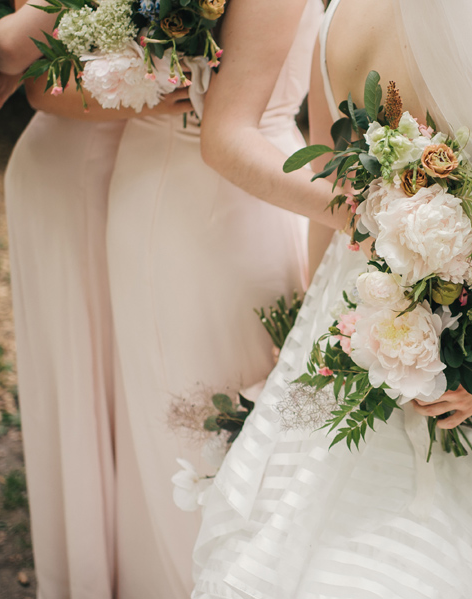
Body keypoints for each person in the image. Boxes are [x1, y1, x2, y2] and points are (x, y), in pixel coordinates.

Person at [191, 0, 472, 597]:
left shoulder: (339, 20)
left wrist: (315, 318)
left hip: (355, 313)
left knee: (300, 537)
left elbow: (331, 201)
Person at [0, 2, 191, 597]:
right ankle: (90, 569)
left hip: (146, 173)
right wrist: (148, 95)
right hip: (75, 175)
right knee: (82, 385)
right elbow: (29, 65)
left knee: (130, 381)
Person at [102, 1, 321, 597]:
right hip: (208, 198)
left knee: (255, 425)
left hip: (252, 191)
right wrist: (363, 214)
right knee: (192, 433)